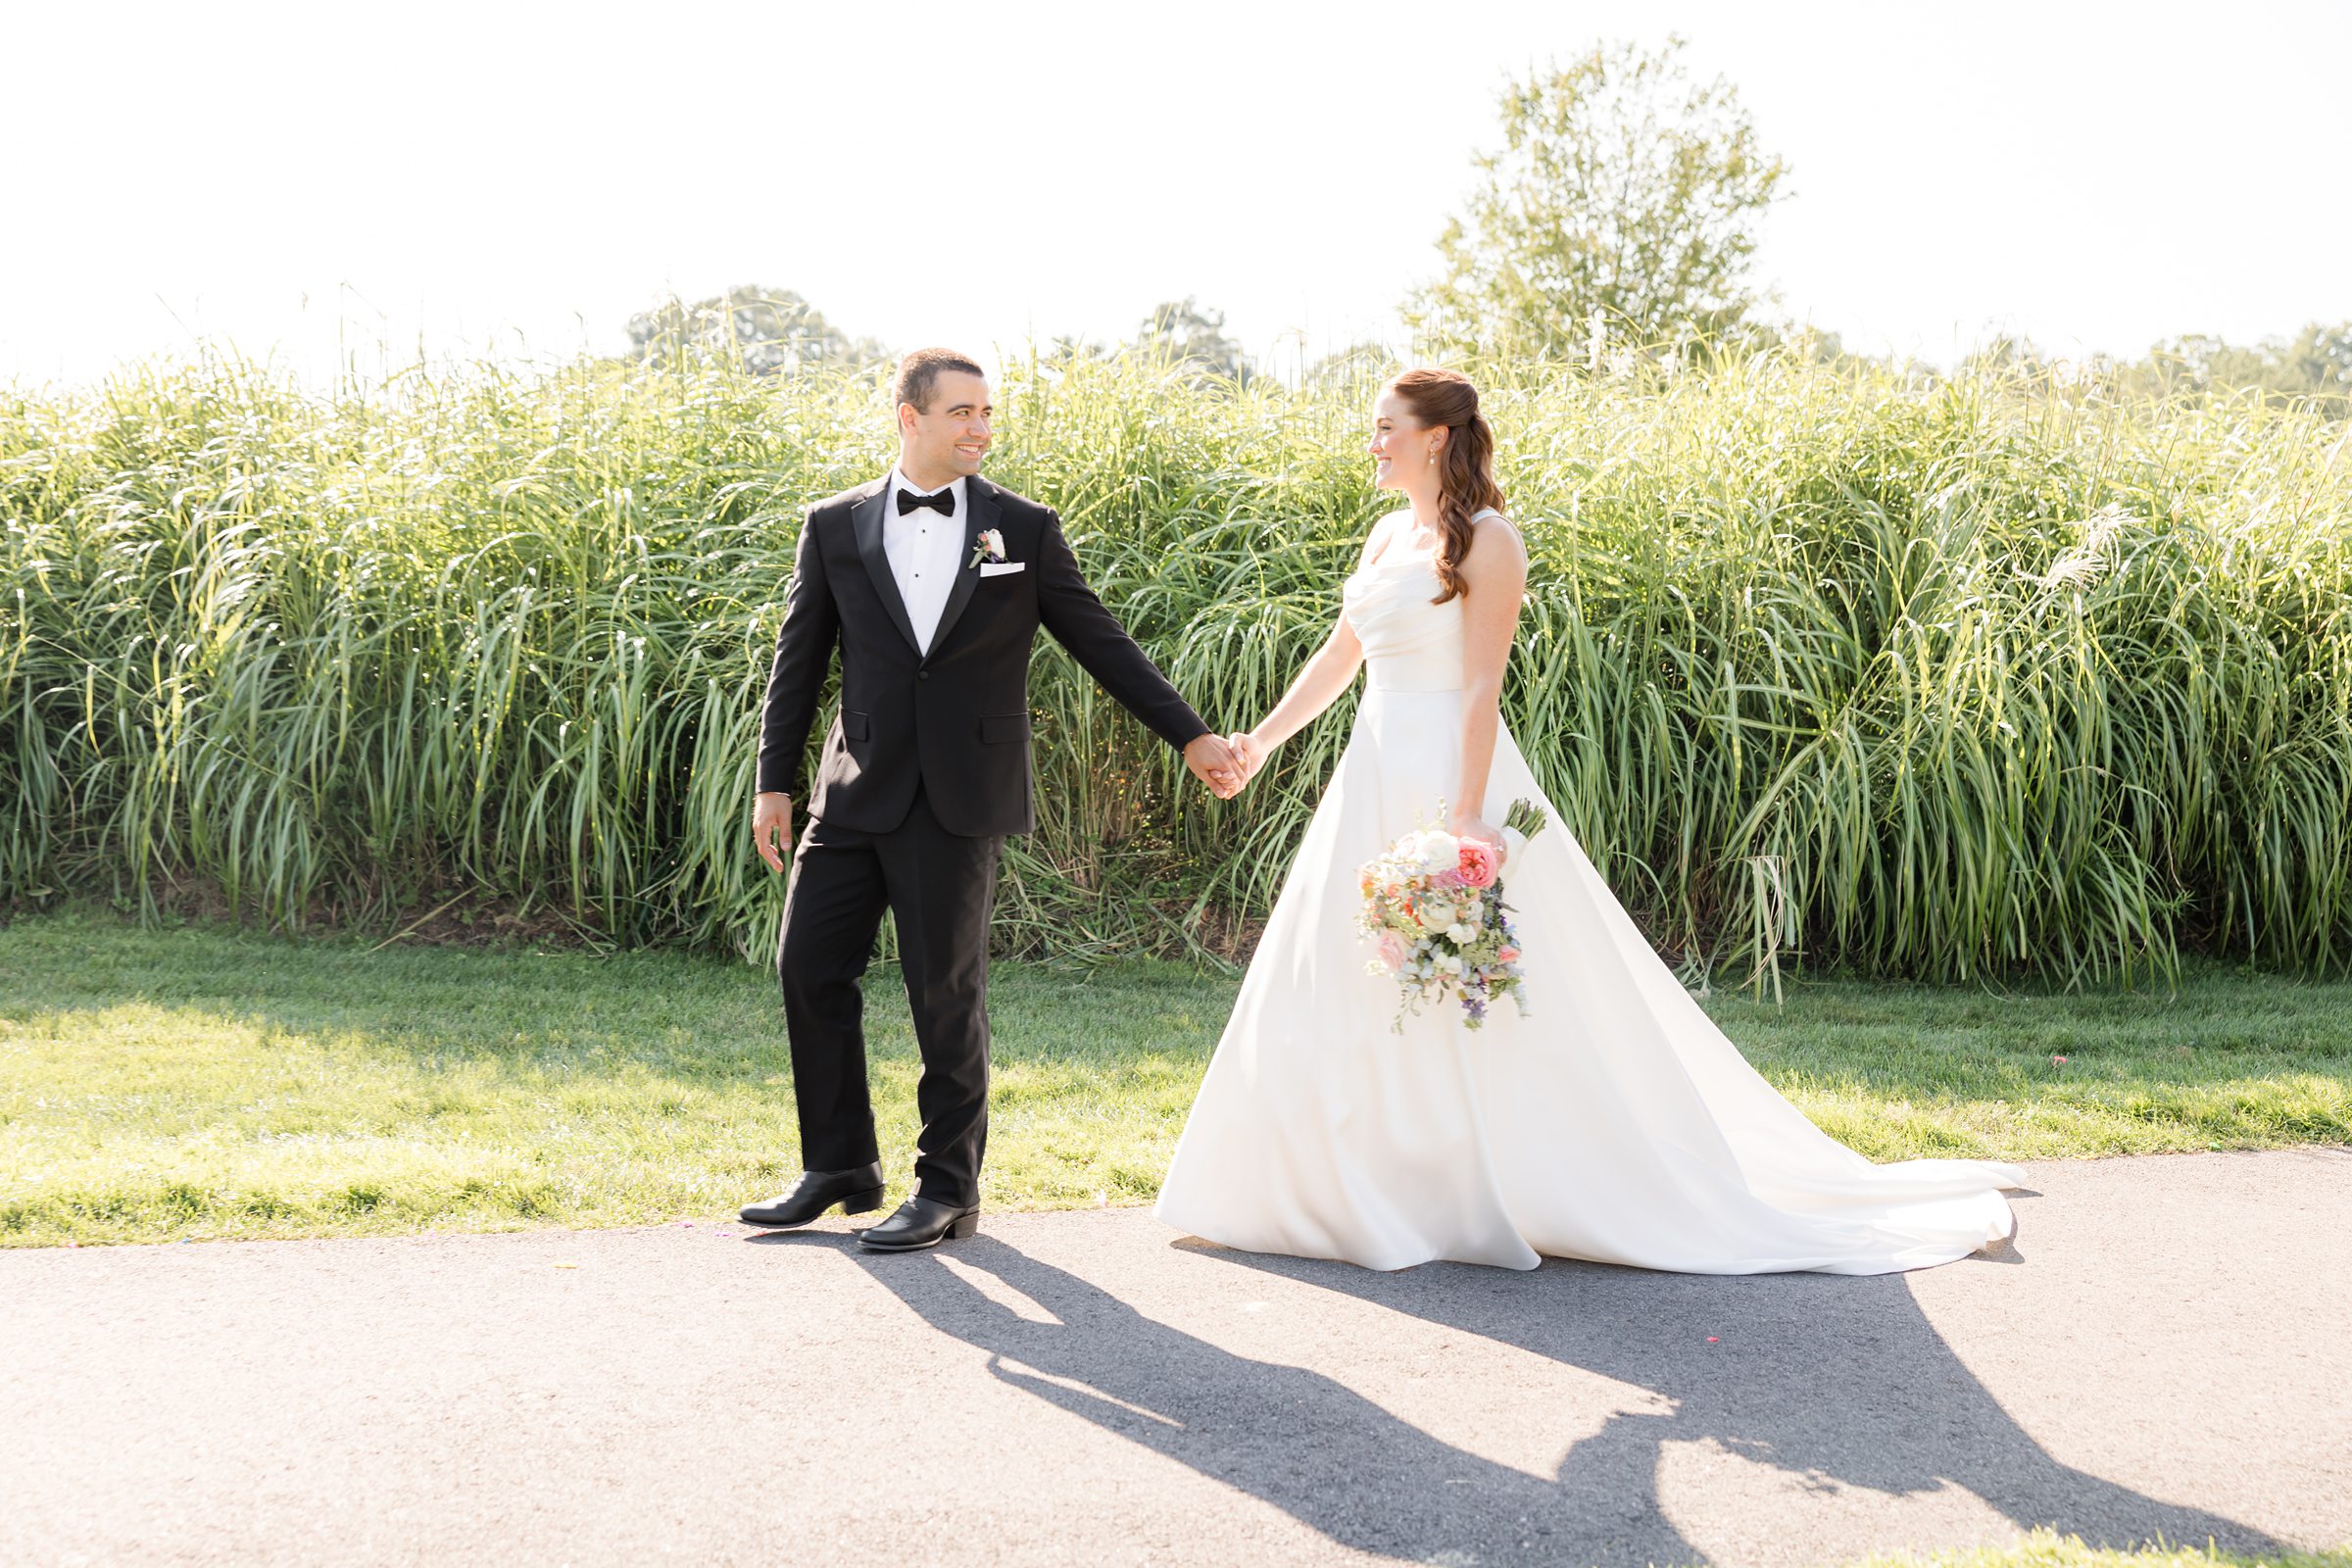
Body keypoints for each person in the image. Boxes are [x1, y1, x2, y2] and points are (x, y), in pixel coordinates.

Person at [1155, 367, 2024, 1274]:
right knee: (1346, 966)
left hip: (1449, 774)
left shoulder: (1491, 542)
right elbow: (1343, 655)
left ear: (1436, 437)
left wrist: (1462, 815)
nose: (1371, 444)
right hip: (1370, 768)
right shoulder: (1382, 538)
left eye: (1384, 428)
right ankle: (1350, 1181)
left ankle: (1485, 1180)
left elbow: (1482, 688)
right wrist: (1261, 740)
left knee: (1479, 989)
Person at [742, 349, 1243, 1251]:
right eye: (961, 412)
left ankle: (947, 1189)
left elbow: (1102, 641)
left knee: (945, 993)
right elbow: (799, 661)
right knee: (808, 969)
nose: (980, 427)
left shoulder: (1024, 526)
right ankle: (840, 1166)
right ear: (910, 417)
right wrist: (774, 782)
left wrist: (1190, 733)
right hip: (852, 793)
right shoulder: (834, 526)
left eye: (986, 413)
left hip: (961, 796)